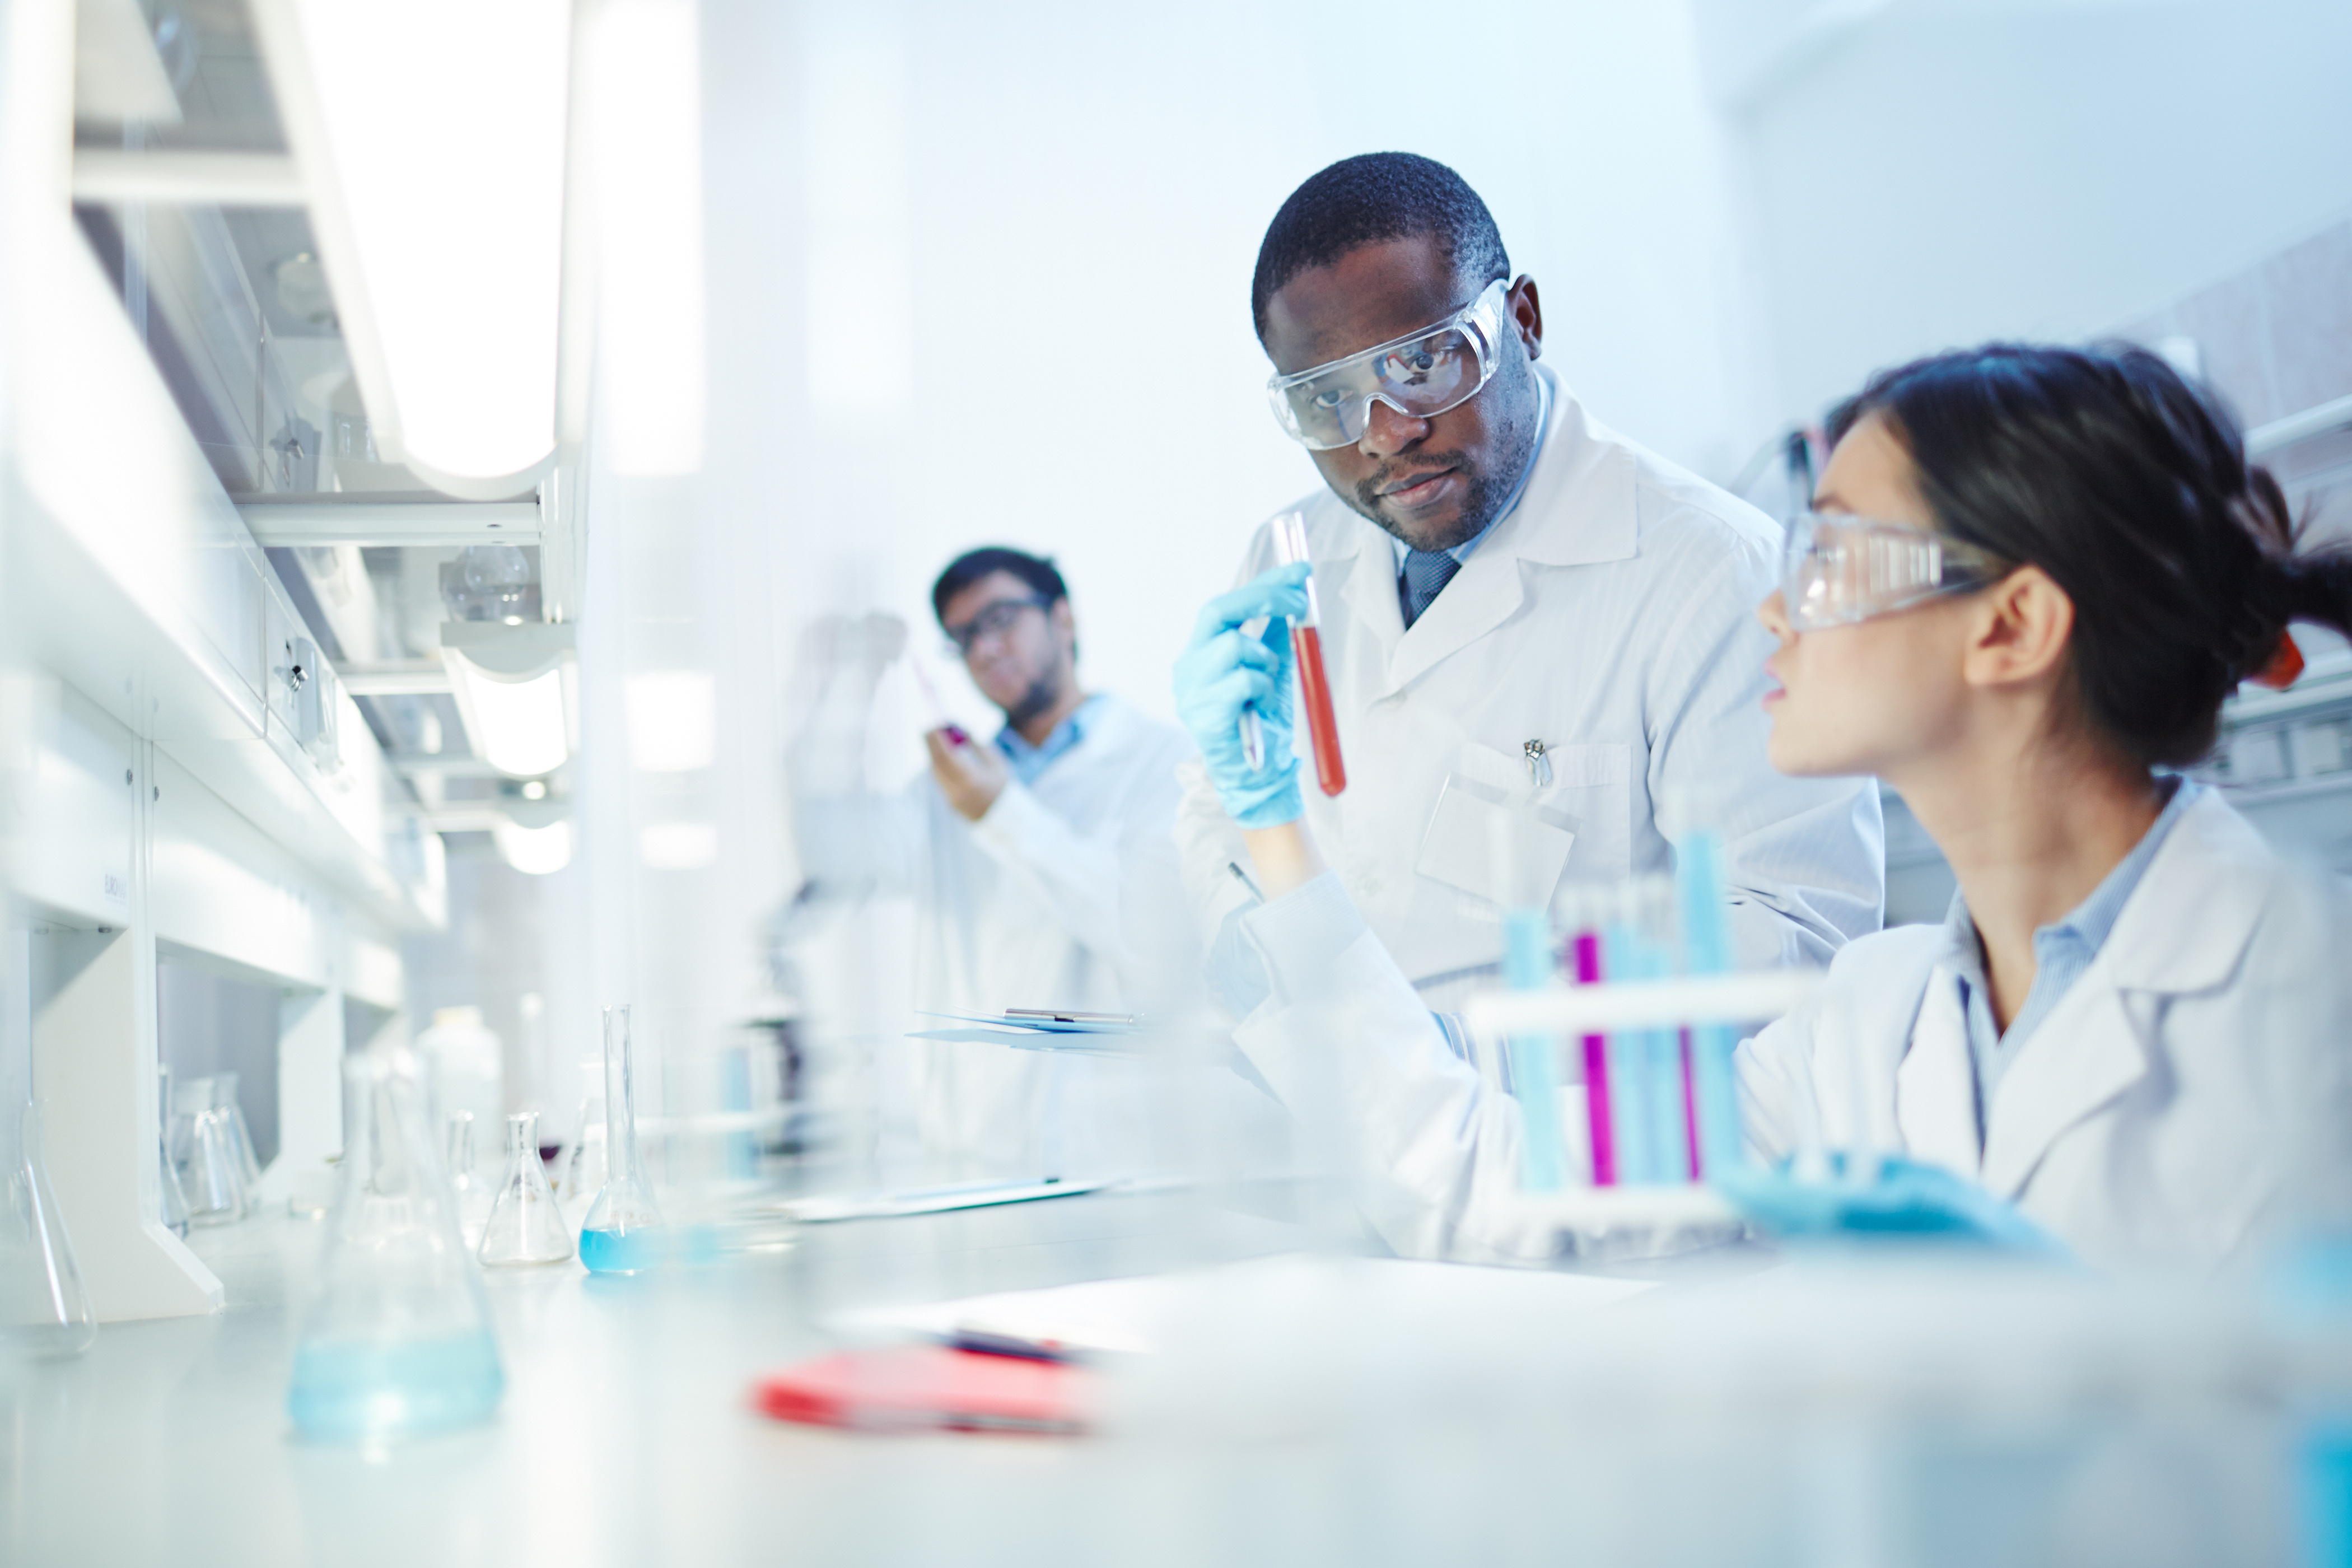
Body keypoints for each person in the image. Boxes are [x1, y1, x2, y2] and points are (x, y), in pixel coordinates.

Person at [1177, 341, 2352, 1275]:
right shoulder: (1873, 1022)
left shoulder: (2311, 987)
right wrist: (1276, 833)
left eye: (1834, 557)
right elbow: (1483, 1179)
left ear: (2012, 625)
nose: (1779, 609)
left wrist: (2079, 1343)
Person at [1175, 153, 1883, 1021]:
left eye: (1426, 359)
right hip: (1341, 1132)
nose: (1388, 433)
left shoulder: (1713, 572)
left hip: (1586, 1140)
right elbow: (1222, 825)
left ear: (1522, 319)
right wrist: (1262, 973)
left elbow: (1800, 944)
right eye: (1329, 401)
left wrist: (1466, 1064)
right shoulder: (1290, 560)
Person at [791, 547, 1197, 1180]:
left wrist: (1002, 812)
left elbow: (1149, 935)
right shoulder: (943, 789)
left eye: (1001, 619)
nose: (984, 651)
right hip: (971, 1157)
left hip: (1113, 1160)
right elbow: (832, 848)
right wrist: (850, 686)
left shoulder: (1164, 765)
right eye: (963, 638)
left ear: (1062, 618)